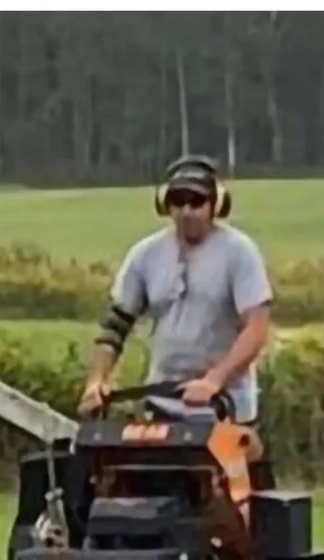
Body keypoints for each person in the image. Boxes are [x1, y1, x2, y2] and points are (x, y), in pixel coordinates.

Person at [79, 154, 273, 430]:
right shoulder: (144, 255)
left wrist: (214, 381)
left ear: (215, 205)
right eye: (178, 201)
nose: (186, 211)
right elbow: (115, 324)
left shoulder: (240, 254)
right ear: (164, 205)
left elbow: (256, 329)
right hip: (161, 406)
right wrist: (97, 381)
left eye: (196, 202)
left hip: (225, 409)